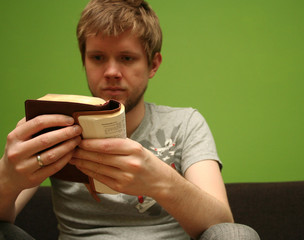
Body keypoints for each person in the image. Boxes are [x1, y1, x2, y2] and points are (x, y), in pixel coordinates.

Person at [0, 0, 260, 239]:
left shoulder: (186, 123)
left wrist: (161, 181)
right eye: (98, 57)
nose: (112, 72)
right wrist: (8, 177)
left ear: (153, 64)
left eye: (126, 58)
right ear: (84, 61)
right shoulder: (53, 123)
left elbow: (223, 224)